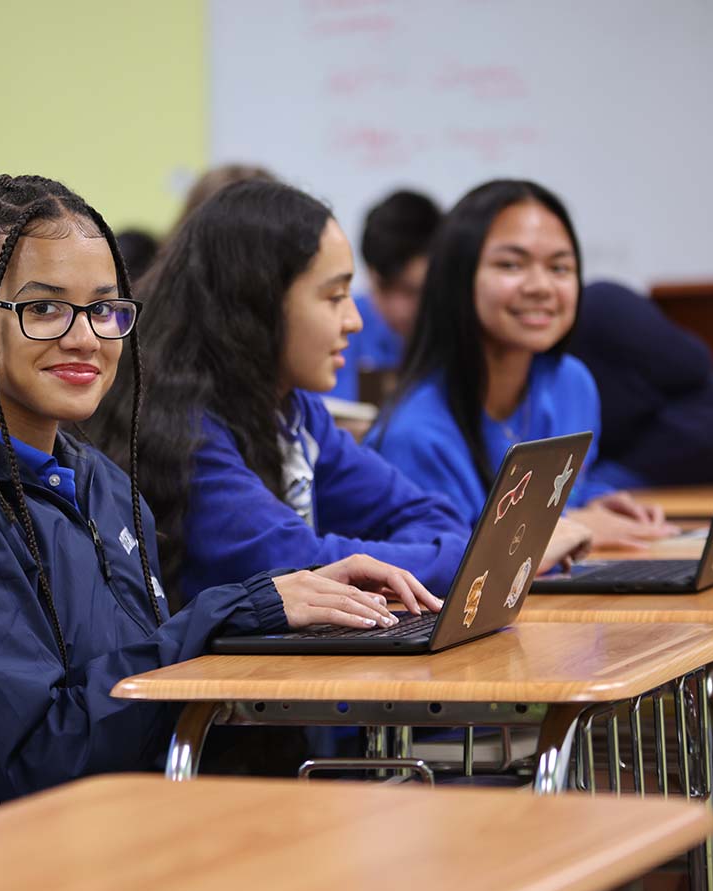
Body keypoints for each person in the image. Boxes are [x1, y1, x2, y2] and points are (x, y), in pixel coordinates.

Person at [0, 174, 440, 841]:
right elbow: (43, 751)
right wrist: (237, 610)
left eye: (105, 308)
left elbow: (131, 694)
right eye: (45, 309)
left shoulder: (100, 482)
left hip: (101, 830)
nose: (86, 337)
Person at [90, 179, 475, 607]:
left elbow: (435, 518)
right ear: (258, 303)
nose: (354, 320)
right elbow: (301, 565)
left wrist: (446, 556)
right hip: (200, 674)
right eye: (334, 297)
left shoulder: (294, 408)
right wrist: (446, 559)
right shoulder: (182, 428)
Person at [367, 179, 675, 548]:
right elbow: (449, 568)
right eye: (512, 264)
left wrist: (595, 502)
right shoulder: (416, 434)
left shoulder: (570, 382)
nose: (541, 286)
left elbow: (562, 494)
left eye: (560, 268)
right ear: (457, 279)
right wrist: (574, 526)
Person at [570, 281, 713, 488]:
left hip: (692, 434)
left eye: (559, 268)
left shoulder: (603, 305)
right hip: (622, 457)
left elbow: (694, 364)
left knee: (585, 491)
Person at [337, 190, 440, 403]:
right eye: (384, 288)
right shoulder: (340, 327)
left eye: (413, 291)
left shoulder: (461, 336)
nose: (398, 309)